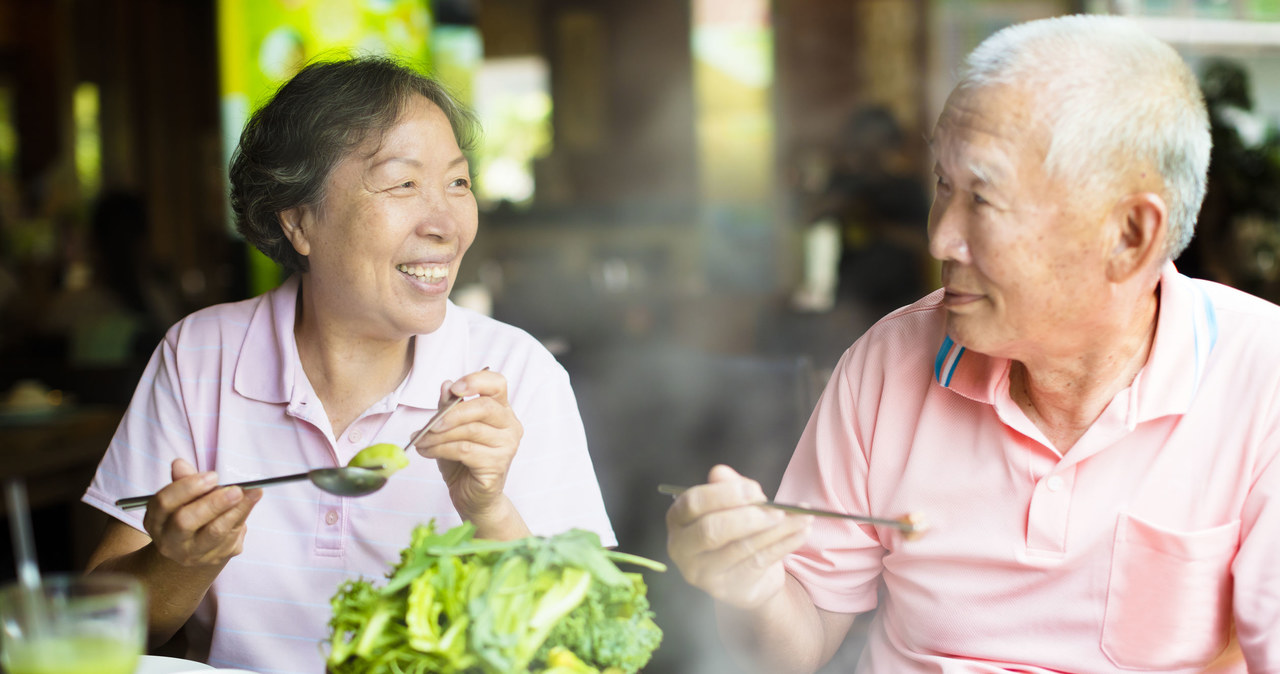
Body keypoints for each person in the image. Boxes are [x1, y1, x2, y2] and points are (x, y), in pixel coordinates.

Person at [667, 14, 1280, 673]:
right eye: (942, 187)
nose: (939, 240)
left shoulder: (1260, 378)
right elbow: (800, 636)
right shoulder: (889, 362)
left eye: (983, 200)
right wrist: (751, 588)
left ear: (1129, 235)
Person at [81, 56, 613, 673]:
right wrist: (181, 560)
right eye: (403, 184)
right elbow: (99, 632)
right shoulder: (199, 353)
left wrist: (489, 509)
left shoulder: (517, 371)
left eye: (458, 183)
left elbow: (586, 646)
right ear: (300, 221)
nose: (445, 223)